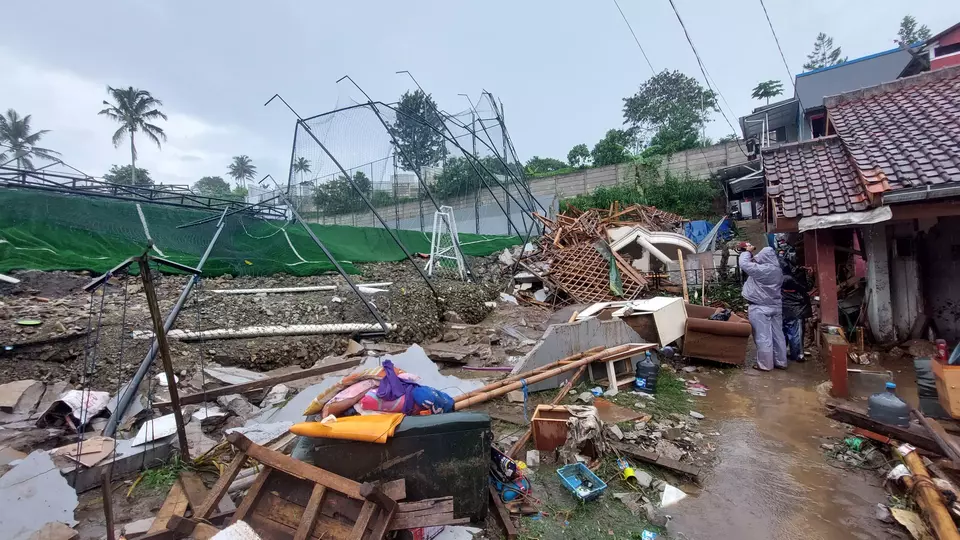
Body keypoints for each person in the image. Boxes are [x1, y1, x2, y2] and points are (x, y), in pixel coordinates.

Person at [739, 245, 787, 371]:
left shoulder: (762, 270)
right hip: (775, 306)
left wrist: (747, 251)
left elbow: (743, 264)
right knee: (778, 335)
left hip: (759, 307)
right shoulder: (777, 270)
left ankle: (765, 365)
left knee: (763, 336)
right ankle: (781, 362)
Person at [781, 269, 812, 363]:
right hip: (796, 312)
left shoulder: (778, 279)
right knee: (796, 334)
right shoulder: (796, 282)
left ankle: (781, 353)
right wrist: (809, 276)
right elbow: (807, 288)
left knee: (782, 333)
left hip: (782, 309)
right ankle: (798, 354)